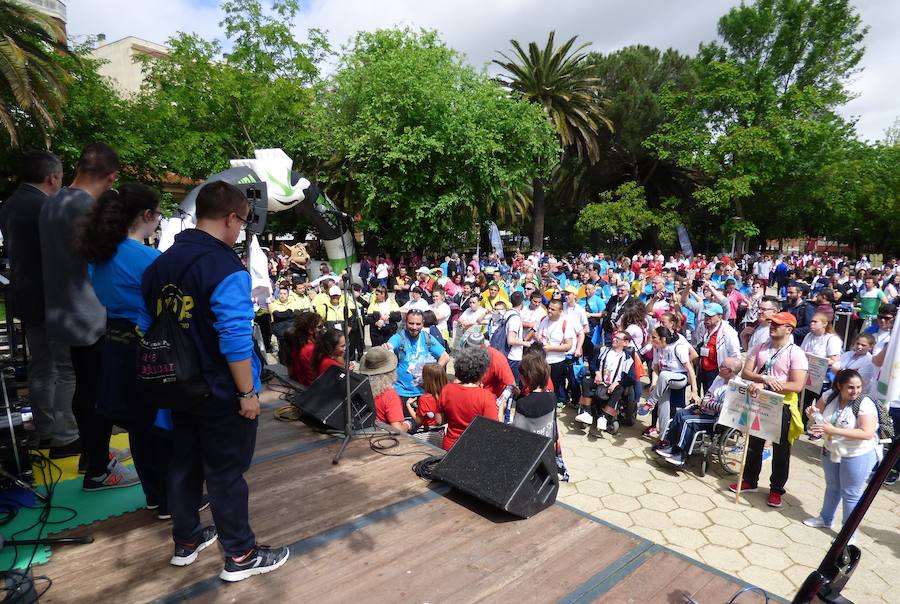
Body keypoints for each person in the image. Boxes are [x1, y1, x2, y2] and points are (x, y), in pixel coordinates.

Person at [138, 181, 288, 580]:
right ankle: (240, 555)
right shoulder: (225, 268)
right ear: (230, 218)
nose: (241, 230)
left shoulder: (159, 264)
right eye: (242, 222)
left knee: (183, 463)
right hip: (220, 389)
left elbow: (145, 322)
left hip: (174, 383)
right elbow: (235, 336)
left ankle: (186, 540)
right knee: (225, 474)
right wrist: (247, 392)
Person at [40, 144, 121, 485]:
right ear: (112, 176)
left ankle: (92, 455)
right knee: (98, 394)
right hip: (91, 315)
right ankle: (99, 470)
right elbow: (110, 261)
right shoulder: (89, 209)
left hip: (62, 311)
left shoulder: (51, 202)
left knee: (83, 389)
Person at [78, 186, 163, 499]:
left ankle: (155, 496)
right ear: (146, 215)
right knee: (160, 424)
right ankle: (170, 498)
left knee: (138, 427)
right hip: (150, 345)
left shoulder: (98, 257)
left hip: (116, 342)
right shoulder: (150, 259)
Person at [0, 150, 79, 456]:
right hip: (53, 298)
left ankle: (45, 429)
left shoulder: (10, 204)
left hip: (26, 296)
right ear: (52, 177)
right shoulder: (47, 206)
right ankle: (66, 434)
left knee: (41, 367)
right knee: (64, 368)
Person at [731, 312, 808, 508]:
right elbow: (746, 372)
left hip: (782, 404)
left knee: (781, 449)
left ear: (789, 329)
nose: (772, 326)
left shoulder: (796, 353)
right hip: (760, 400)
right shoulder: (760, 347)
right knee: (754, 443)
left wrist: (767, 385)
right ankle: (749, 479)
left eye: (778, 324)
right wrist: (764, 379)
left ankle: (776, 489)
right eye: (772, 323)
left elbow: (797, 385)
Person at [803, 369, 879, 544]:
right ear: (839, 386)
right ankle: (825, 519)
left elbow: (867, 433)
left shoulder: (865, 403)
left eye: (859, 387)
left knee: (851, 493)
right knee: (832, 486)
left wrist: (833, 430)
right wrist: (812, 413)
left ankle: (848, 535)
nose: (855, 391)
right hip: (831, 449)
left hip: (857, 453)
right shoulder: (829, 395)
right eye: (850, 387)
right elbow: (818, 417)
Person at [657, 357, 742, 466]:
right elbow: (708, 396)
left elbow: (724, 409)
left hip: (717, 419)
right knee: (680, 413)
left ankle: (682, 454)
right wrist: (706, 403)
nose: (719, 367)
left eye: (722, 367)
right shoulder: (719, 378)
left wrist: (707, 403)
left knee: (687, 421)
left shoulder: (736, 387)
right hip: (706, 411)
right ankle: (671, 446)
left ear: (730, 371)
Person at [640, 326, 700, 440]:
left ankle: (650, 403)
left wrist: (694, 391)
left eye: (654, 337)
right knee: (663, 408)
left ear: (663, 339)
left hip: (680, 378)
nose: (651, 340)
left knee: (664, 375)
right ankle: (663, 438)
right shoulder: (657, 348)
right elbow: (655, 369)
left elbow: (691, 370)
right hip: (664, 381)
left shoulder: (678, 347)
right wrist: (653, 384)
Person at [385, 309, 450, 405]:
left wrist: (432, 373)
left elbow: (445, 357)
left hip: (424, 393)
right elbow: (390, 346)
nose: (414, 327)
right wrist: (388, 348)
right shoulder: (399, 337)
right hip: (401, 392)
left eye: (418, 324)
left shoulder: (427, 338)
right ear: (406, 322)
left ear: (423, 323)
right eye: (411, 323)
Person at [437, 346, 496, 450]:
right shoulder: (487, 397)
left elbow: (438, 420)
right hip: (473, 450)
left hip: (449, 446)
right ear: (482, 373)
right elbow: (492, 431)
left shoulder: (447, 389)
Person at [575, 331, 634, 434]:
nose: (614, 339)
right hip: (599, 381)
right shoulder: (603, 350)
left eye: (618, 339)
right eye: (614, 337)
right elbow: (593, 364)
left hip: (613, 384)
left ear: (625, 343)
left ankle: (604, 417)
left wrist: (617, 383)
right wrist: (597, 372)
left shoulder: (627, 359)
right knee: (585, 381)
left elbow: (630, 378)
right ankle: (587, 413)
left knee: (619, 389)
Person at [358, 347, 413, 433]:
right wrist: (408, 424)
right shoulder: (389, 394)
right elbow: (397, 430)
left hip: (362, 433)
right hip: (382, 439)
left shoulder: (359, 387)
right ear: (391, 371)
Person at [534, 299, 576, 406]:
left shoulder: (565, 324)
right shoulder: (543, 319)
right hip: (541, 359)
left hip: (556, 362)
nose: (549, 311)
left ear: (560, 311)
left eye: (553, 309)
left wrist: (551, 348)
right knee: (538, 386)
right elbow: (536, 332)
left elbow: (568, 346)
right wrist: (537, 337)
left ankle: (551, 410)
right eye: (549, 308)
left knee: (552, 389)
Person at [695, 303, 741, 394]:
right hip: (703, 369)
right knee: (705, 395)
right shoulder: (702, 327)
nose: (707, 318)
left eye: (710, 316)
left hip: (718, 371)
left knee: (714, 395)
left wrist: (730, 374)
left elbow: (735, 354)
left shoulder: (727, 331)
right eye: (705, 315)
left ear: (720, 317)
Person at [513, 352, 557, 439]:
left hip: (530, 446)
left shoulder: (523, 404)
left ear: (523, 378)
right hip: (546, 441)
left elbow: (516, 432)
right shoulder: (552, 396)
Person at [289, 312, 325, 385]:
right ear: (310, 330)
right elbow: (319, 374)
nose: (323, 329)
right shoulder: (311, 349)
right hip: (314, 388)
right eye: (320, 326)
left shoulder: (297, 343)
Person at [410, 363, 446, 428]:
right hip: (441, 431)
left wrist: (408, 406)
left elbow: (418, 421)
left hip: (427, 432)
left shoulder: (424, 399)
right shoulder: (446, 394)